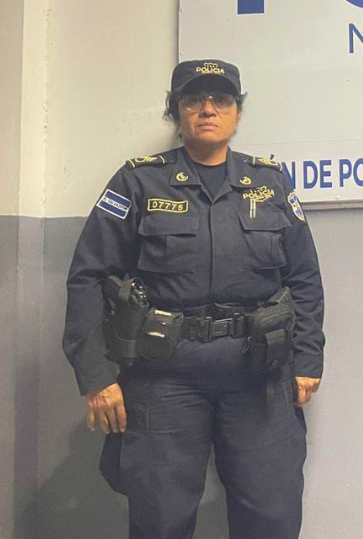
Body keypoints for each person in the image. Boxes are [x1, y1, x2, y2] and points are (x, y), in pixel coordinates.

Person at [63, 59, 325, 539]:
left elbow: (304, 277)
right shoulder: (137, 182)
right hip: (163, 375)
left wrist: (308, 358)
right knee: (159, 519)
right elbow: (88, 276)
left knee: (272, 515)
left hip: (257, 372)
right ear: (176, 111)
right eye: (194, 99)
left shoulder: (269, 183)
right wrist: (96, 376)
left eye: (221, 99)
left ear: (237, 112)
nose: (208, 109)